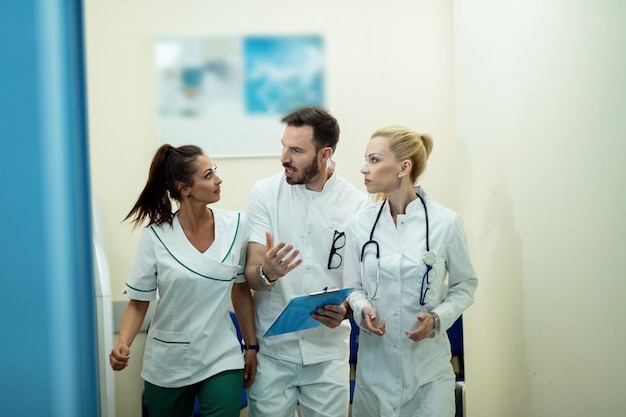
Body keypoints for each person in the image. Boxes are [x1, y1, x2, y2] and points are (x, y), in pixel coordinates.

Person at [109, 144, 257, 417]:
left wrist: (251, 345)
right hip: (169, 360)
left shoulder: (237, 226)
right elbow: (139, 302)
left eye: (216, 171)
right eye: (208, 174)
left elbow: (240, 290)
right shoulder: (156, 236)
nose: (218, 179)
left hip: (220, 355)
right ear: (185, 188)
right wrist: (124, 343)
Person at [344, 126, 478, 417]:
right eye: (366, 159)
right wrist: (362, 309)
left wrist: (437, 318)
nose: (364, 169)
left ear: (404, 167)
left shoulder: (446, 223)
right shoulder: (360, 224)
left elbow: (464, 286)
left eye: (374, 160)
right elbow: (352, 287)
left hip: (428, 373)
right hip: (374, 371)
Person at [243, 107, 368, 417]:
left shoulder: (357, 205)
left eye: (296, 150)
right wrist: (267, 273)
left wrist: (346, 311)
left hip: (327, 353)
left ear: (324, 154)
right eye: (284, 146)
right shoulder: (264, 194)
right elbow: (250, 275)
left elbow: (361, 283)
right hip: (273, 354)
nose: (285, 157)